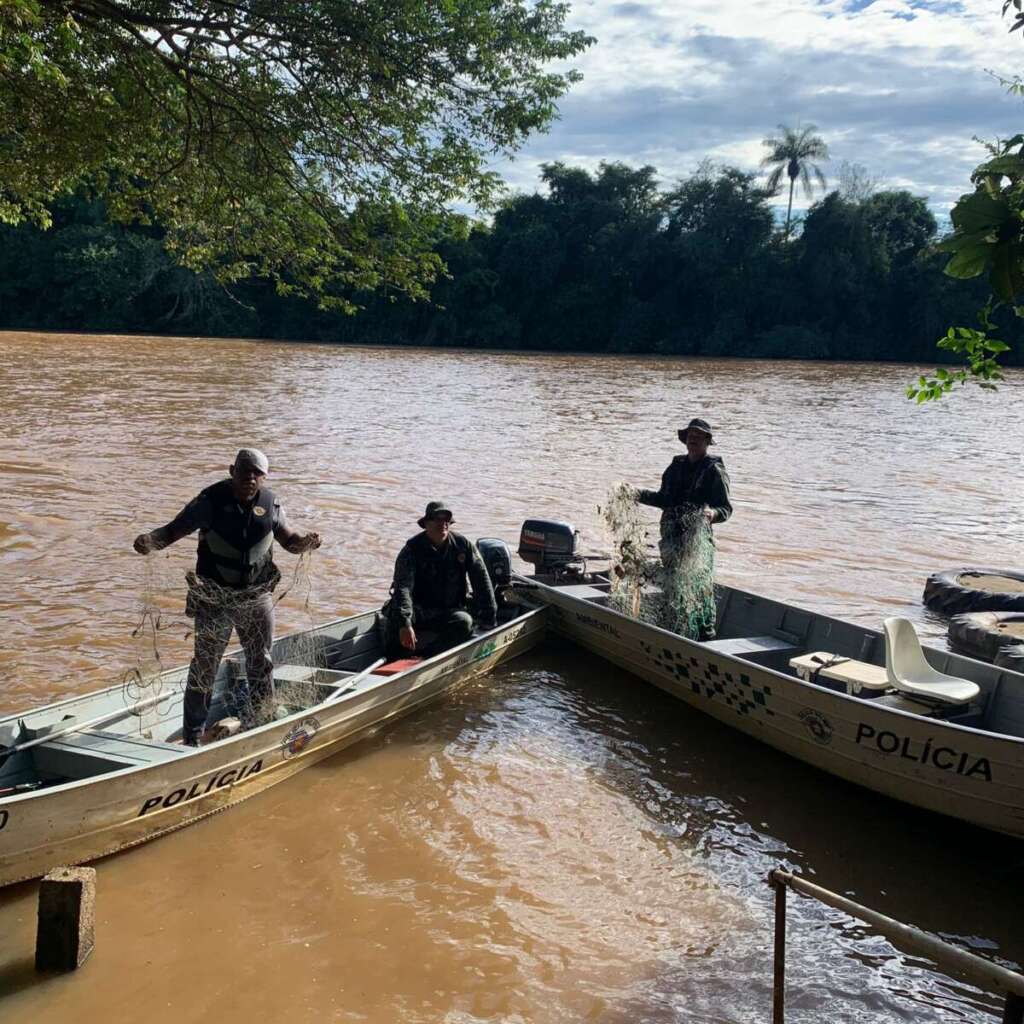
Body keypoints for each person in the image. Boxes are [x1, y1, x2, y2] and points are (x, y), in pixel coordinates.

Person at [133, 448, 321, 744]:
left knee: (261, 661)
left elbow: (290, 541)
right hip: (213, 599)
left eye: (257, 473)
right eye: (245, 470)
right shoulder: (208, 502)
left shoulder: (271, 504)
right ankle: (193, 737)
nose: (250, 477)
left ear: (264, 477)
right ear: (231, 469)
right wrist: (148, 542)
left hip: (256, 598)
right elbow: (171, 532)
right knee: (205, 667)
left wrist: (307, 543)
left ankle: (262, 723)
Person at [635, 417, 732, 639]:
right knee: (673, 583)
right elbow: (664, 498)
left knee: (700, 585)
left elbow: (725, 508)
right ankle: (677, 628)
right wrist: (637, 494)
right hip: (670, 537)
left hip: (697, 540)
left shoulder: (714, 470)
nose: (693, 440)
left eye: (699, 437)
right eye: (690, 436)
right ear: (685, 440)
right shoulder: (675, 466)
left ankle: (705, 634)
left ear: (707, 441)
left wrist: (712, 514)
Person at [382, 501, 497, 661]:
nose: (442, 524)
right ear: (426, 524)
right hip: (418, 610)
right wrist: (405, 622)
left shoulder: (463, 545)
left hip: (448, 611)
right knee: (395, 618)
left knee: (464, 622)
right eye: (437, 519)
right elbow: (403, 589)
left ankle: (427, 657)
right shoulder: (411, 550)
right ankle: (393, 658)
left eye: (446, 521)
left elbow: (481, 580)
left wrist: (489, 618)